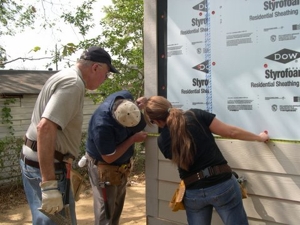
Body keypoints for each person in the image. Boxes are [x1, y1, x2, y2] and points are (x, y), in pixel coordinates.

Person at [20, 46, 119, 225]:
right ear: (95, 67)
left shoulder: (64, 76)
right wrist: (49, 185)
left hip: (37, 163)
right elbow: (45, 128)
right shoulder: (73, 83)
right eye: (106, 74)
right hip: (48, 168)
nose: (106, 79)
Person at [143, 96, 269, 225]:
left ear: (156, 121)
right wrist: (259, 138)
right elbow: (231, 132)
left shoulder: (162, 141)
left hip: (193, 192)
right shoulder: (195, 115)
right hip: (222, 184)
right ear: (169, 105)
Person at [85, 90, 148, 225]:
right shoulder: (102, 126)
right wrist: (132, 140)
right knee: (106, 211)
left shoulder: (125, 97)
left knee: (117, 205)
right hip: (105, 168)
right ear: (119, 122)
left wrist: (141, 103)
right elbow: (108, 158)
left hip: (121, 167)